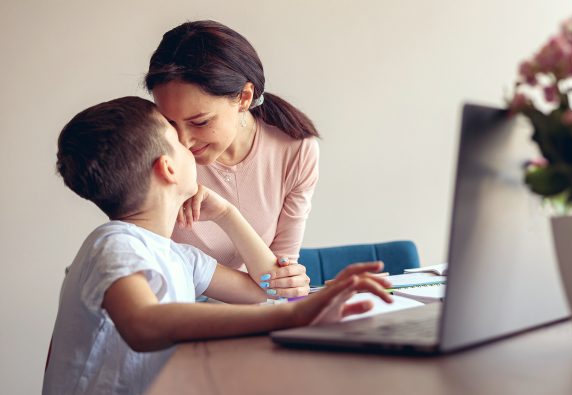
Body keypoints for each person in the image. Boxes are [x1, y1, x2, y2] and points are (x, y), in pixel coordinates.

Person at [43, 96, 391, 395]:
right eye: (178, 141)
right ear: (168, 169)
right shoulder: (114, 245)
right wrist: (292, 315)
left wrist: (227, 214)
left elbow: (266, 291)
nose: (190, 144)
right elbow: (143, 324)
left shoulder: (181, 258)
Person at [145, 20, 317, 297]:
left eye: (200, 122)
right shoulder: (157, 154)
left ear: (244, 97)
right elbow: (144, 268)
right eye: (170, 123)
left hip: (252, 312)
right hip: (178, 313)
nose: (183, 142)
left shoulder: (296, 149)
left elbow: (280, 281)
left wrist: (226, 215)